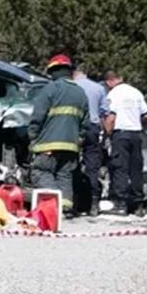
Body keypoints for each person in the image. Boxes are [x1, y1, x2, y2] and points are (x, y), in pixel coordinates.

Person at [28, 54, 89, 215]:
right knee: (64, 176)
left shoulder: (50, 89)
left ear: (53, 71)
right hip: (71, 146)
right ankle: (65, 208)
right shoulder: (81, 93)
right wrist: (78, 140)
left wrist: (32, 137)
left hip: (48, 143)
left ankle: (53, 207)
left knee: (42, 172)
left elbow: (38, 117)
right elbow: (86, 123)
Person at [103, 70, 147, 216]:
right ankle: (138, 205)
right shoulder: (136, 92)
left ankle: (120, 203)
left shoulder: (113, 94)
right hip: (136, 134)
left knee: (120, 169)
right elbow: (146, 115)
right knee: (136, 170)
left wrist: (106, 134)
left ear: (109, 81)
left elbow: (111, 117)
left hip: (120, 135)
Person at [72, 66, 107, 217]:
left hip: (74, 126)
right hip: (93, 128)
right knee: (92, 167)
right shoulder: (98, 88)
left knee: (71, 165)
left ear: (74, 74)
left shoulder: (72, 87)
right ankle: (93, 203)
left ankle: (75, 202)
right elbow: (104, 112)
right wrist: (105, 135)